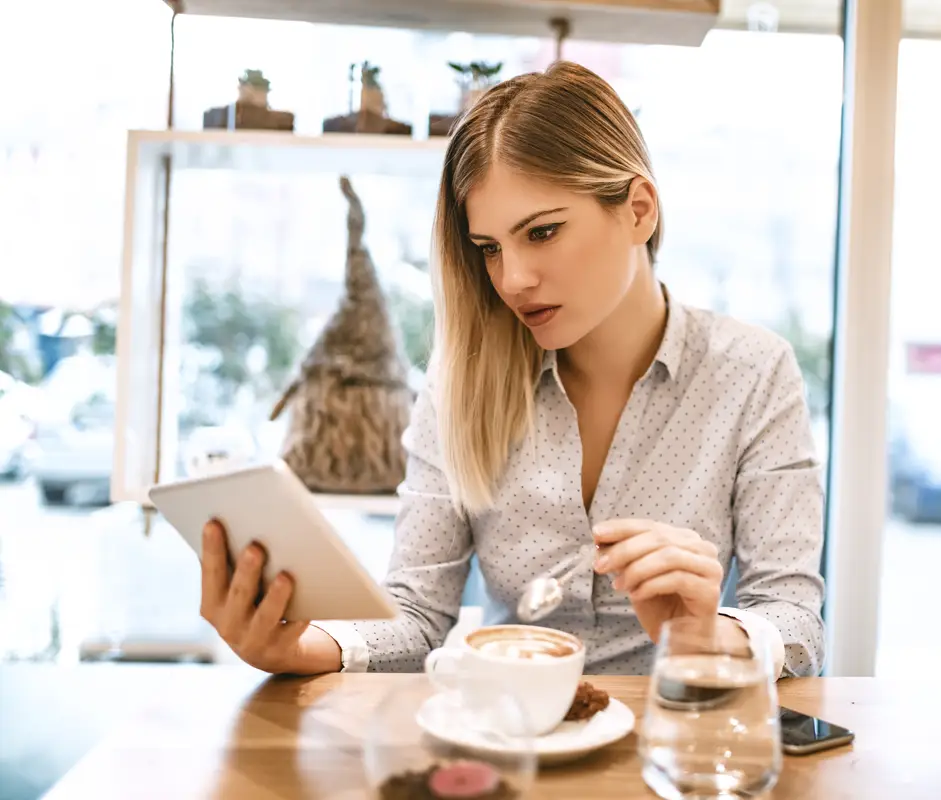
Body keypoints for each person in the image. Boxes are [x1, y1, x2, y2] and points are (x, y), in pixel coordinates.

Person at [199, 60, 826, 678]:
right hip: (511, 738)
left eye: (544, 232)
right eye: (489, 249)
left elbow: (795, 620)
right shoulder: (461, 383)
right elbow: (418, 614)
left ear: (638, 210)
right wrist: (306, 647)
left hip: (679, 739)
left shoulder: (752, 370)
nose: (513, 279)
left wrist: (704, 635)